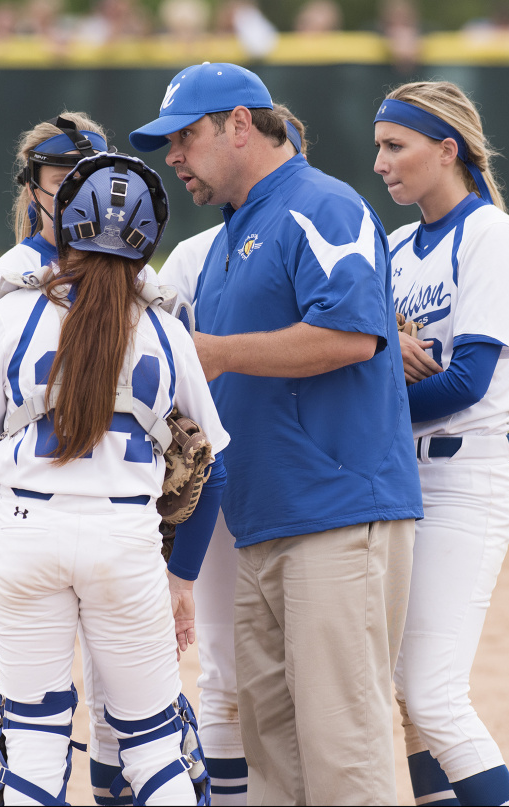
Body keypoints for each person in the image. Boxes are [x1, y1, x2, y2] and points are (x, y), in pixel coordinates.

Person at [129, 62, 422, 805]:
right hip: (263, 520)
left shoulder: (321, 206)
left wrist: (216, 353)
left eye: (184, 137)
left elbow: (354, 334)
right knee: (274, 755)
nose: (173, 157)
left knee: (342, 751)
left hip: (334, 511)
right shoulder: (230, 236)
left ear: (237, 124)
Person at [0, 151, 230, 805]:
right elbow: (211, 461)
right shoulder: (166, 327)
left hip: (25, 532)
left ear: (66, 221)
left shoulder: (14, 311)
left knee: (31, 740)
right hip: (122, 536)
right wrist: (181, 575)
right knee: (151, 745)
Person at [374, 80, 509, 807]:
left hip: (461, 475)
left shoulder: (491, 235)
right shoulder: (396, 244)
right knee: (396, 693)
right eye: (378, 145)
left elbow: (467, 379)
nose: (379, 162)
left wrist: (371, 399)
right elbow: (360, 354)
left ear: (448, 150)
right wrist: (383, 356)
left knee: (430, 692)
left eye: (395, 146)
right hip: (398, 478)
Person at [155, 102, 305, 807]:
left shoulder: (310, 229)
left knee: (307, 678)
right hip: (216, 490)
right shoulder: (190, 258)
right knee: (221, 672)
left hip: (301, 487)